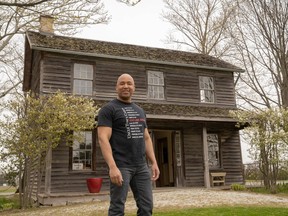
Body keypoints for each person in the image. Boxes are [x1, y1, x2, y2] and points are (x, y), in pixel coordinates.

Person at [97, 73, 160, 216]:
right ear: (116, 87)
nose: (126, 86)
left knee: (146, 207)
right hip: (121, 166)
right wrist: (112, 167)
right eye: (122, 83)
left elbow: (146, 138)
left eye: (129, 83)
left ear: (134, 87)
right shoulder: (108, 109)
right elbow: (103, 138)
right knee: (117, 208)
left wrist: (154, 162)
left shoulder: (140, 111)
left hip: (141, 167)